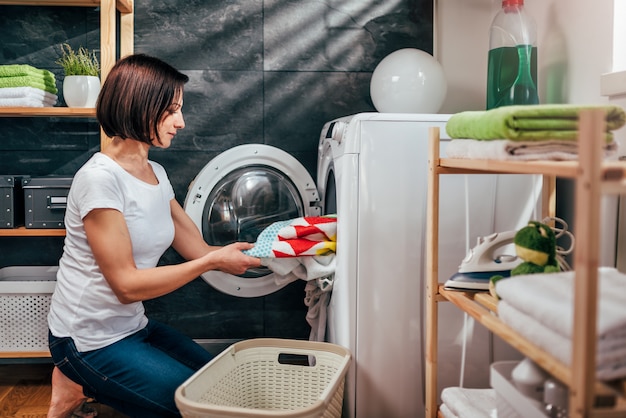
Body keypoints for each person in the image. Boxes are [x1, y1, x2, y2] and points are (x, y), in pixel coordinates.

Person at [47, 53, 261, 418]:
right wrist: (212, 261)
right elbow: (127, 285)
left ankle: (75, 388)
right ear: (140, 106)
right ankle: (76, 378)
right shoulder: (100, 180)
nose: (181, 121)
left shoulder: (156, 173)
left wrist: (278, 249)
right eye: (172, 110)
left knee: (220, 386)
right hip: (86, 340)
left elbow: (197, 249)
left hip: (132, 327)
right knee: (195, 409)